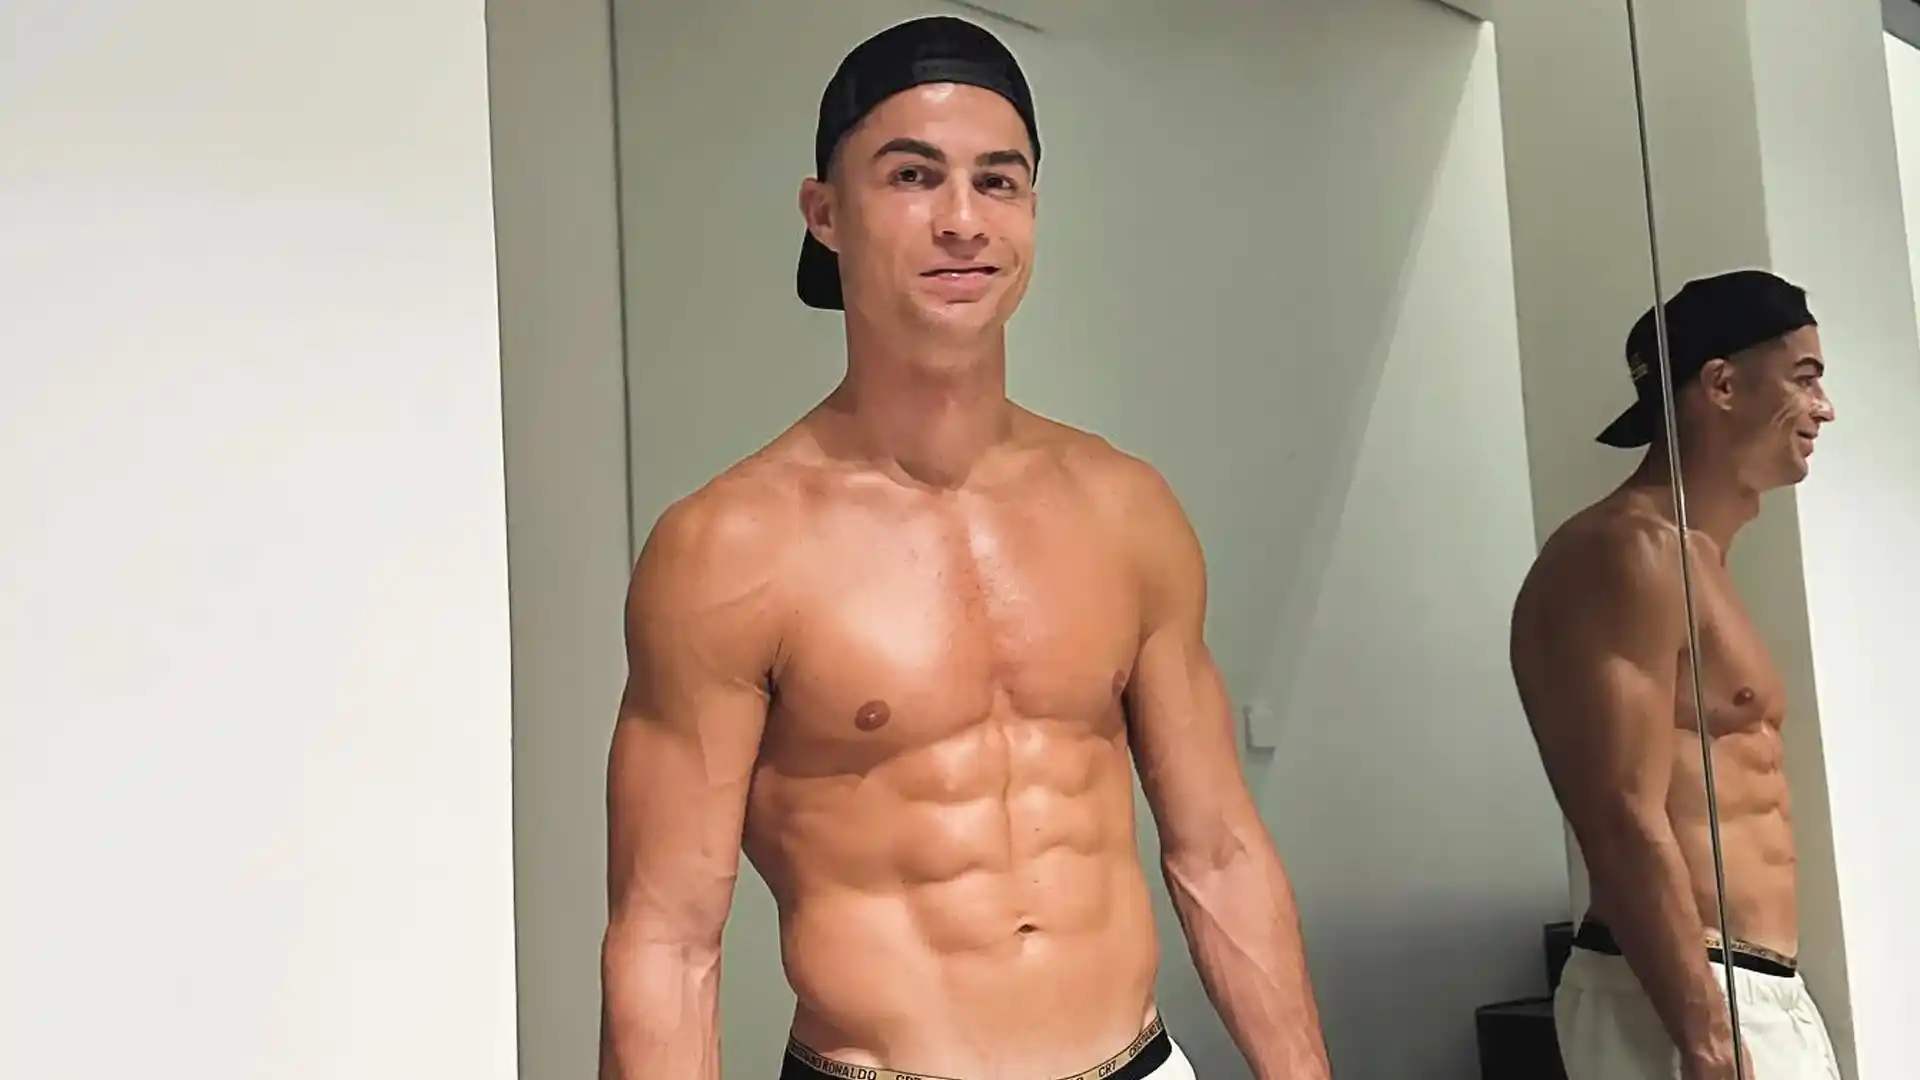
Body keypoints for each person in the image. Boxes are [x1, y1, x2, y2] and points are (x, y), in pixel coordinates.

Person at [595, 15, 1330, 1080]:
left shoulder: (1125, 508)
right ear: (824, 213)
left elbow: (1220, 854)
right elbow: (666, 942)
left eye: (999, 181)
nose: (962, 220)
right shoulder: (730, 548)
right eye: (912, 175)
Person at [1509, 269, 1842, 1080]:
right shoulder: (1628, 549)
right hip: (1676, 996)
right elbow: (1621, 816)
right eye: (1804, 378)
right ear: (1721, 384)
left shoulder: (1694, 558)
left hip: (1748, 990)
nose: (1825, 407)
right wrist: (1706, 1037)